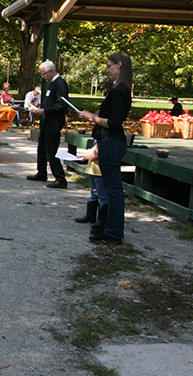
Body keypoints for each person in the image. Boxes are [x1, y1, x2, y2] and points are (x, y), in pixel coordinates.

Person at [78, 52, 133, 244]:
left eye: (109, 66)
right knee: (110, 189)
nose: (107, 69)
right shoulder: (117, 89)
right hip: (108, 141)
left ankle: (114, 232)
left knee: (113, 190)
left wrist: (90, 117)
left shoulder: (120, 90)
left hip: (111, 141)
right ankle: (107, 227)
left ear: (119, 65)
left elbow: (114, 122)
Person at [27, 60, 69, 188]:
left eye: (44, 74)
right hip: (47, 119)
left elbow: (61, 105)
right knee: (42, 147)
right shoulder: (52, 84)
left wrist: (45, 110)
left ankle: (60, 178)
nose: (43, 77)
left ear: (51, 71)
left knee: (51, 149)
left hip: (55, 120)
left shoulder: (60, 84)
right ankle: (41, 172)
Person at [75, 142, 105, 224]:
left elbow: (100, 153)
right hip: (93, 169)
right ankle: (90, 216)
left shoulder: (107, 139)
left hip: (100, 171)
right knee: (94, 193)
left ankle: (102, 220)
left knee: (102, 196)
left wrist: (89, 156)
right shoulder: (98, 138)